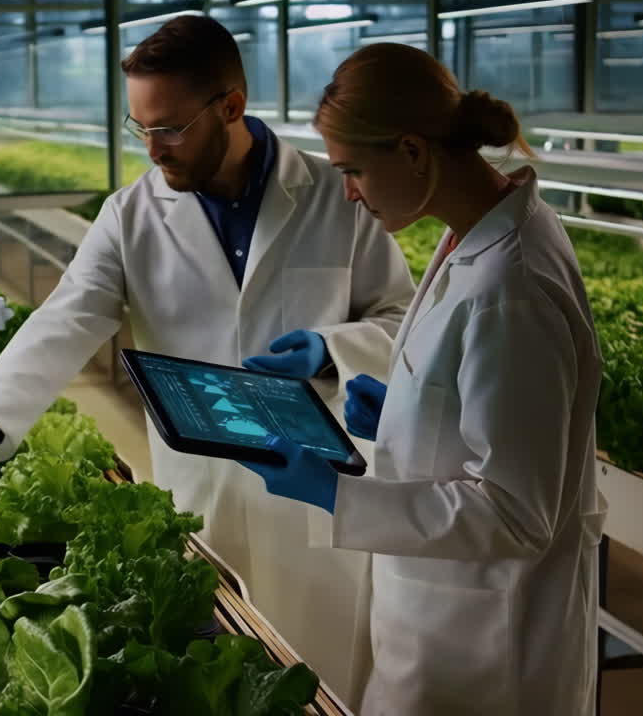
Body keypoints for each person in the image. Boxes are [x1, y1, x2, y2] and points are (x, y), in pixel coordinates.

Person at [0, 15, 416, 702]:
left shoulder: (336, 196)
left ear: (231, 106)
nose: (154, 149)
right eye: (140, 127)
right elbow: (65, 320)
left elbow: (401, 319)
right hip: (203, 495)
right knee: (219, 682)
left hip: (318, 495)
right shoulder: (130, 215)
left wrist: (332, 348)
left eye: (170, 128)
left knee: (324, 682)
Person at [239, 42, 607, 715]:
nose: (349, 193)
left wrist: (336, 495)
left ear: (412, 151)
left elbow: (516, 513)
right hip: (441, 620)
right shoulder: (477, 233)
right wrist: (408, 414)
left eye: (353, 170)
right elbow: (493, 409)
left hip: (487, 647)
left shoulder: (510, 287)